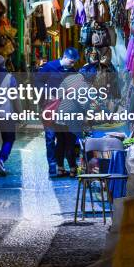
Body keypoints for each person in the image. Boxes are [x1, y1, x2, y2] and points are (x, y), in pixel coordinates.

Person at [38, 47, 80, 177]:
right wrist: (47, 94)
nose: (73, 64)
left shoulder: (72, 71)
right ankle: (53, 167)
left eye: (74, 62)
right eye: (71, 62)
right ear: (65, 57)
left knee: (63, 138)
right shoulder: (49, 67)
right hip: (49, 109)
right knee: (50, 138)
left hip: (64, 111)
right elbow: (37, 82)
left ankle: (61, 166)